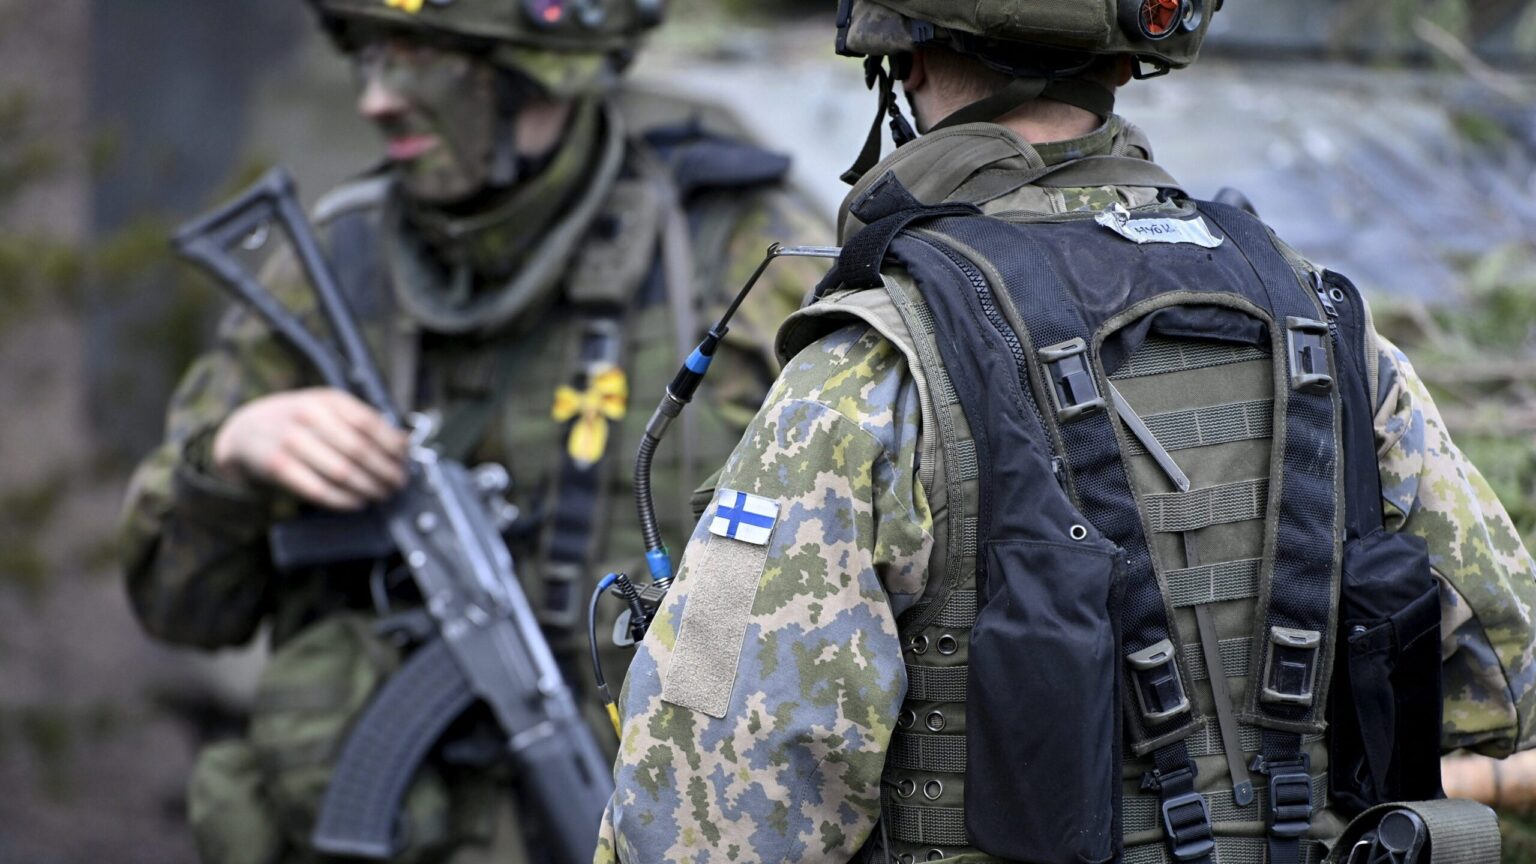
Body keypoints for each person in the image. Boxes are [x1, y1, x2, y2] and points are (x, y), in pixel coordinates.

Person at [600, 2, 1536, 863]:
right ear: (1128, 62)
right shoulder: (1326, 329)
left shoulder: (872, 370)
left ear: (906, 55)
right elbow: (1505, 680)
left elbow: (703, 820)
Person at [118, 0, 830, 861]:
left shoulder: (737, 261)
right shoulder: (333, 269)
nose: (377, 99)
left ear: (542, 68)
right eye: (370, 56)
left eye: (423, 57)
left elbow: (853, 591)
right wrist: (233, 456)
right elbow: (180, 609)